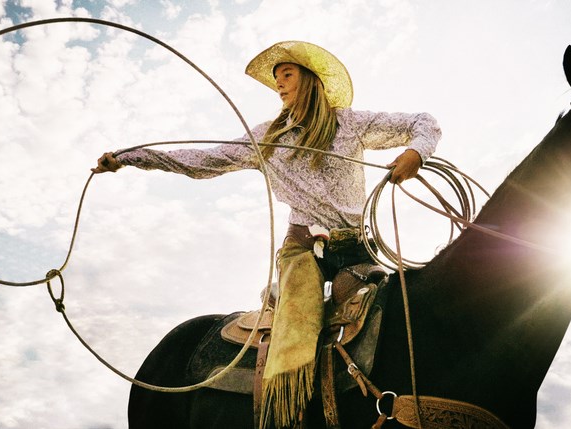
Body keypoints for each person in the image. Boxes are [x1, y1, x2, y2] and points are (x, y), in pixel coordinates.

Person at [92, 40, 441, 428]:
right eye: (276, 79)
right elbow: (204, 161)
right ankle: (284, 414)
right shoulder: (268, 139)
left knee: (394, 312)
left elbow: (422, 122)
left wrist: (417, 153)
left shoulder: (351, 124)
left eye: (286, 75)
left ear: (309, 80)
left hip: (356, 248)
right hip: (303, 253)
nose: (279, 84)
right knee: (298, 332)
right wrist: (129, 159)